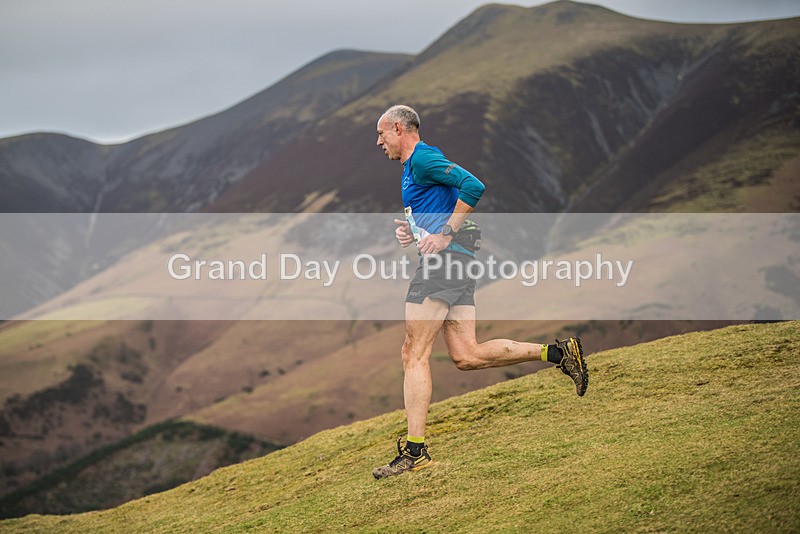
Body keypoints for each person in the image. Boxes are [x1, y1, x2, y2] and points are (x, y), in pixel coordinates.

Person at [372, 104, 589, 479]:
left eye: (381, 134)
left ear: (398, 127)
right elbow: (437, 211)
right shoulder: (413, 168)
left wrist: (446, 234)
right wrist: (417, 233)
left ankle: (415, 452)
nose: (378, 142)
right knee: (467, 355)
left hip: (445, 264)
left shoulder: (423, 159)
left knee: (413, 353)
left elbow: (474, 185)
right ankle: (558, 353)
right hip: (453, 263)